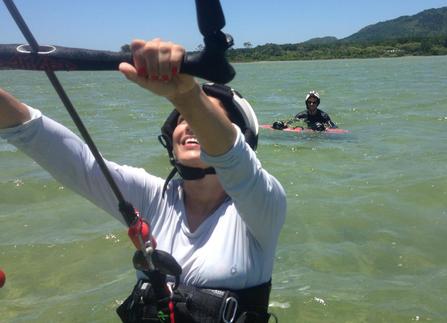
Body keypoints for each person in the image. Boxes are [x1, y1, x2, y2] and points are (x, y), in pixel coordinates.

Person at [0, 38, 286, 322]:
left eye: (200, 119)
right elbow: (68, 157)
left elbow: (233, 157)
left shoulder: (264, 204)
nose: (188, 124)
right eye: (182, 119)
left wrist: (187, 95)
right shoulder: (153, 196)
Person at [272, 90, 336, 131]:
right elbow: (291, 122)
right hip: (305, 132)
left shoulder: (324, 116)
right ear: (306, 103)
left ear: (317, 103)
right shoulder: (301, 115)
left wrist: (324, 128)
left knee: (318, 126)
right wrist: (283, 125)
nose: (311, 104)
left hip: (318, 134)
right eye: (309, 102)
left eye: (314, 102)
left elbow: (333, 127)